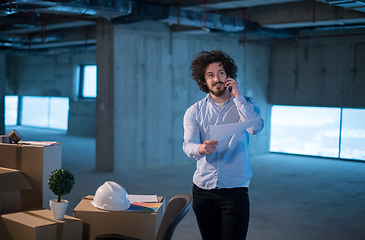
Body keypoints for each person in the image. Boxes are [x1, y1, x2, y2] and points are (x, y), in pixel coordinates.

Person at [183, 50, 264, 240]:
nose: (217, 78)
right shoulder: (194, 111)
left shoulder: (247, 104)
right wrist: (201, 148)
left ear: (228, 75)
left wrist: (238, 97)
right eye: (210, 75)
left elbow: (256, 128)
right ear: (204, 81)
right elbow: (188, 146)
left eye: (220, 73)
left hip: (235, 188)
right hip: (203, 189)